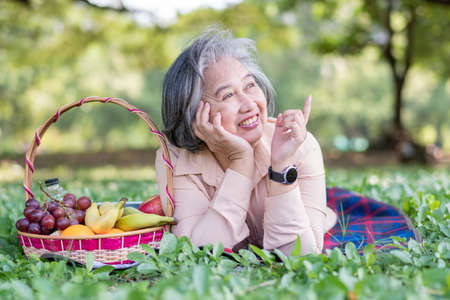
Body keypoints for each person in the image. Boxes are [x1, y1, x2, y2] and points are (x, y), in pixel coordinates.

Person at [155, 27, 337, 255]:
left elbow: (302, 255)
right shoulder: (175, 159)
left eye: (250, 85)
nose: (249, 103)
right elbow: (197, 252)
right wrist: (240, 162)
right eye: (228, 95)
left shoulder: (299, 146)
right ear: (195, 116)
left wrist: (282, 166)